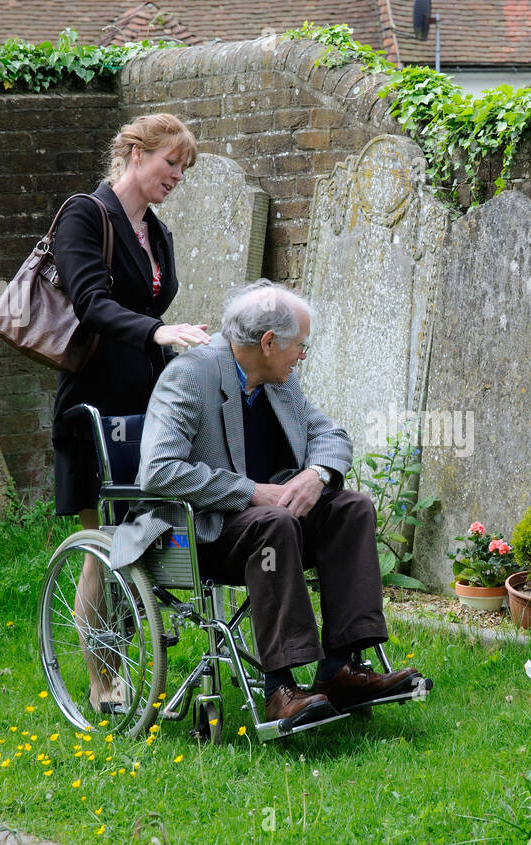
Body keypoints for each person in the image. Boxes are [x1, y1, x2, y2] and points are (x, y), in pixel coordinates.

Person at [110, 280, 427, 728]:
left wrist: (317, 475)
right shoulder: (189, 376)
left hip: (271, 524)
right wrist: (252, 491)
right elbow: (159, 471)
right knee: (274, 521)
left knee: (352, 507)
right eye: (301, 345)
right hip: (200, 530)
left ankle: (340, 670)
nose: (302, 355)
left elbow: (331, 435)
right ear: (268, 342)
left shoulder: (280, 380)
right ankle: (279, 688)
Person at [52, 113, 211, 710]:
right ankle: (102, 682)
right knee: (100, 539)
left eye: (183, 168)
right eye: (170, 162)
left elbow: (154, 311)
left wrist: (180, 339)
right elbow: (91, 303)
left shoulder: (158, 233)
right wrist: (160, 334)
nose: (177, 175)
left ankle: (139, 643)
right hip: (95, 405)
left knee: (139, 534)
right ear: (135, 153)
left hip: (150, 404)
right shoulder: (84, 216)